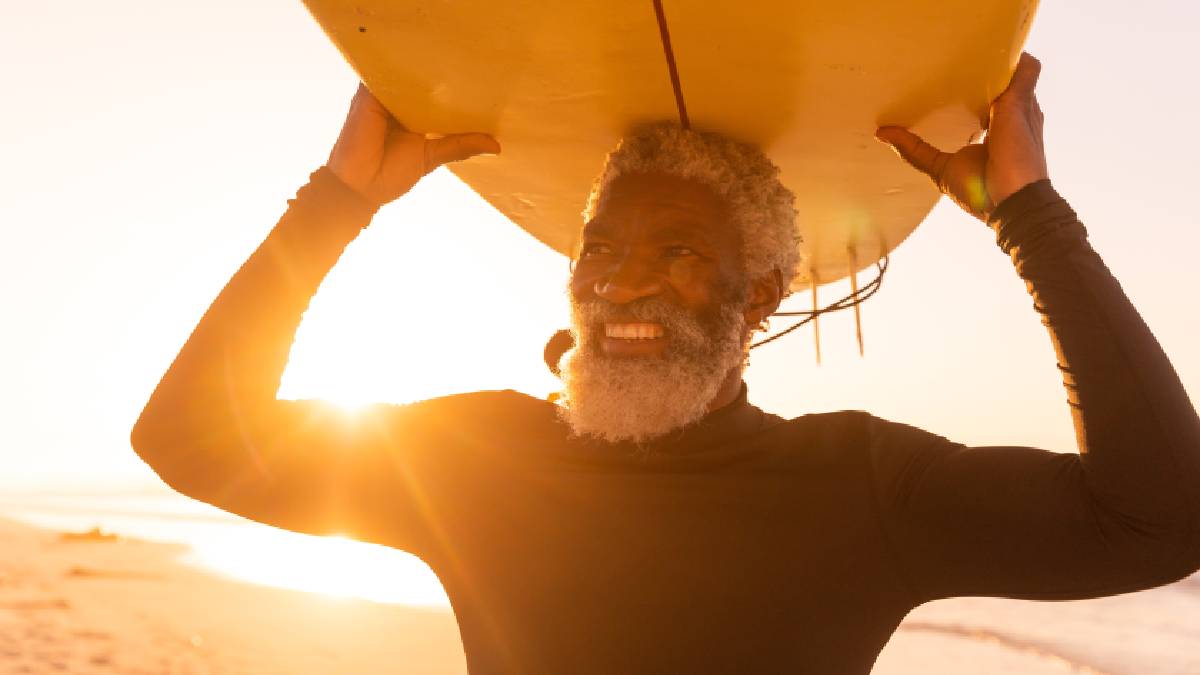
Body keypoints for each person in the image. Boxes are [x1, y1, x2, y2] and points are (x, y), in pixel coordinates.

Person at [131, 53, 1200, 674]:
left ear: (764, 295)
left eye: (679, 251)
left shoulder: (863, 486)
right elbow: (184, 439)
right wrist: (336, 204)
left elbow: (1164, 519)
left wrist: (1029, 217)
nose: (619, 283)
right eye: (599, 248)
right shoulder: (475, 460)